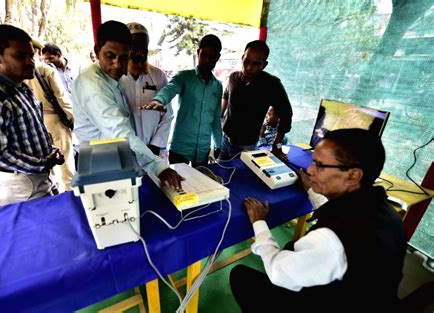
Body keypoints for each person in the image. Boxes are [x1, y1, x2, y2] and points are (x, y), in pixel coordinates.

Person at [230, 128, 406, 313]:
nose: (309, 170)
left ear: (353, 176)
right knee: (292, 245)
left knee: (241, 277)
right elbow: (340, 212)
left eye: (319, 165)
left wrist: (259, 224)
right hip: (367, 299)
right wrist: (312, 190)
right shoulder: (387, 213)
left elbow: (277, 271)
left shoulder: (331, 240)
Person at [0, 24, 64, 204]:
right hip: (23, 184)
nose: (30, 62)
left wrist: (49, 153)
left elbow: (28, 132)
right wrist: (41, 163)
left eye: (31, 55)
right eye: (20, 56)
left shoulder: (19, 86)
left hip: (37, 176)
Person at [72, 20, 182, 189]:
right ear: (97, 51)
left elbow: (168, 115)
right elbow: (120, 132)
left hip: (131, 155)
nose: (117, 64)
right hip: (102, 163)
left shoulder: (114, 79)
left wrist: (154, 149)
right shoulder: (94, 84)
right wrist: (159, 166)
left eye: (124, 57)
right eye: (110, 56)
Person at [141, 34, 223, 166]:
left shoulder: (217, 86)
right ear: (198, 53)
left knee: (202, 184)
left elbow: (215, 120)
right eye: (204, 55)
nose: (207, 60)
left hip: (203, 150)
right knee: (178, 184)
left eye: (212, 56)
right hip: (180, 149)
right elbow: (170, 88)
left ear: (217, 58)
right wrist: (159, 100)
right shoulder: (184, 77)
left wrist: (218, 144)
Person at [220, 40, 292, 160]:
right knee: (218, 175)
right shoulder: (233, 78)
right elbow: (226, 95)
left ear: (264, 64)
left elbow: (286, 114)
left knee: (241, 177)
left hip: (247, 147)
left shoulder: (272, 85)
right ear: (242, 57)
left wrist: (277, 145)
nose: (248, 68)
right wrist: (220, 117)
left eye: (256, 64)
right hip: (224, 141)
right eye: (246, 61)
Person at [25, 39, 75, 192]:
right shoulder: (46, 70)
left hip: (36, 122)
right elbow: (62, 98)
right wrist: (71, 118)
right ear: (38, 52)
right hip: (54, 120)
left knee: (49, 160)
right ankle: (70, 191)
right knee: (65, 159)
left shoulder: (19, 73)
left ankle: (55, 189)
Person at [121, 22, 173, 156]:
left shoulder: (158, 75)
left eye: (143, 47)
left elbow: (168, 115)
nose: (139, 52)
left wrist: (155, 145)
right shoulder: (117, 78)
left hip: (154, 152)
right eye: (134, 47)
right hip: (126, 152)